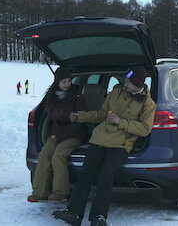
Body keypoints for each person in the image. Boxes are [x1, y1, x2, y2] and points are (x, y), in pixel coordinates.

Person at [52, 66, 157, 226]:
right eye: (125, 81)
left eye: (128, 82)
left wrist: (121, 122)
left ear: (138, 84)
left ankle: (98, 217)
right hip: (98, 139)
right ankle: (74, 213)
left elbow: (145, 129)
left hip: (120, 145)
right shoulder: (116, 93)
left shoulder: (148, 104)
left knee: (105, 177)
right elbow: (101, 114)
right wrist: (80, 116)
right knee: (85, 176)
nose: (125, 84)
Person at [27, 67, 87, 203]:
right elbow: (52, 113)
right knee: (44, 154)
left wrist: (67, 117)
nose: (67, 84)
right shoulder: (51, 97)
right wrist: (67, 115)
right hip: (57, 134)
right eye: (64, 82)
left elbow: (81, 117)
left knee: (58, 155)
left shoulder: (78, 96)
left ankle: (60, 192)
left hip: (75, 133)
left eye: (69, 81)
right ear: (57, 83)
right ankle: (39, 193)